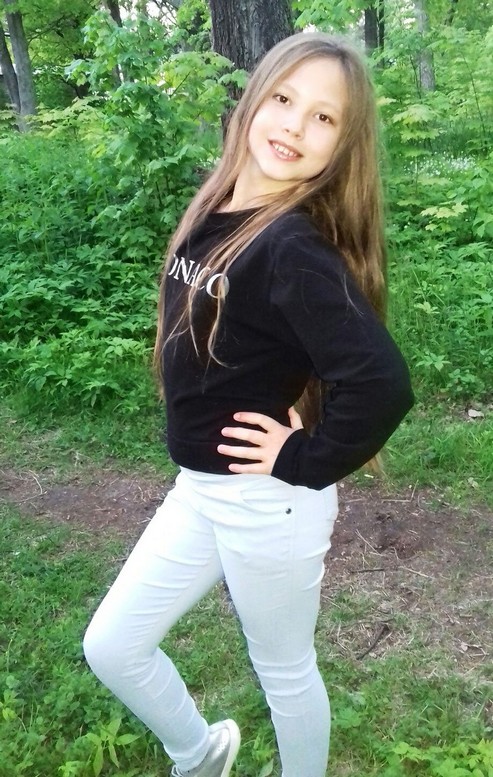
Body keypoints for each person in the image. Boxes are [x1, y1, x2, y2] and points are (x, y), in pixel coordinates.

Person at [83, 31, 414, 777]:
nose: (295, 125)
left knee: (284, 670)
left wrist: (304, 457)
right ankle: (201, 752)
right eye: (284, 99)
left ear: (341, 146)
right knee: (112, 644)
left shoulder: (292, 248)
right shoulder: (220, 210)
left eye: (323, 118)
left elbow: (382, 382)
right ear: (253, 100)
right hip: (201, 490)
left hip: (269, 501)